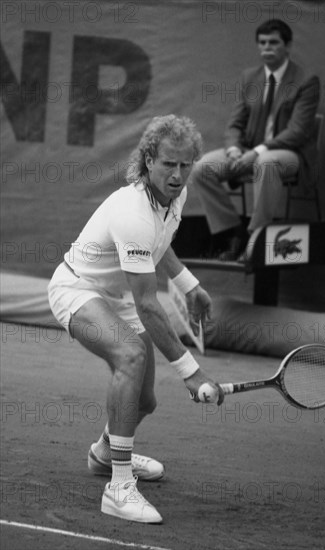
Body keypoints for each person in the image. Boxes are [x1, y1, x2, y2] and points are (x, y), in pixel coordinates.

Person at [47, 114, 223, 524]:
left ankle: (107, 453)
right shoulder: (133, 211)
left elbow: (160, 242)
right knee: (129, 355)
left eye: (185, 165)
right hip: (77, 289)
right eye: (168, 164)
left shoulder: (173, 194)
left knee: (145, 400)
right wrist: (191, 372)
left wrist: (189, 284)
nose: (177, 175)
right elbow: (148, 304)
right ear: (147, 161)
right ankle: (119, 486)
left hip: (118, 297)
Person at [190, 19, 320, 264]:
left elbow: (298, 131)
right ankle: (232, 234)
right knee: (202, 169)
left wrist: (258, 152)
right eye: (262, 43)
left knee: (266, 163)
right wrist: (233, 150)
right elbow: (235, 123)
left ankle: (256, 237)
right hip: (248, 151)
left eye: (273, 42)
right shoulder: (250, 77)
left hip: (289, 153)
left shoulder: (305, 80)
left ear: (288, 46)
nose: (266, 48)